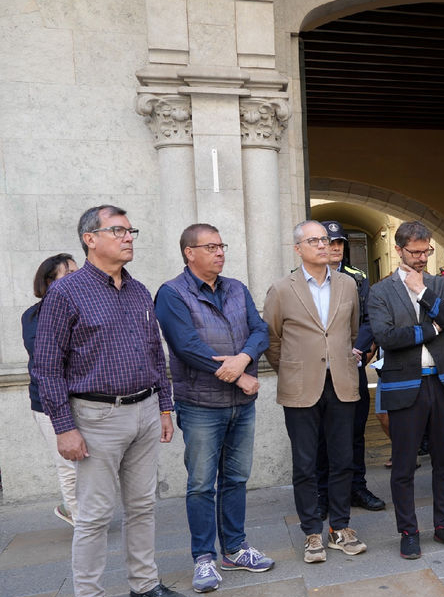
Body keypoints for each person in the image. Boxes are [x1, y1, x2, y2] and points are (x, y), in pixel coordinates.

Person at [31, 204, 181, 597]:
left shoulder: (138, 290)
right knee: (95, 516)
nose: (128, 237)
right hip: (96, 418)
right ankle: (90, 593)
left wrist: (165, 407)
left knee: (143, 506)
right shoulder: (65, 292)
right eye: (118, 231)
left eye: (131, 231)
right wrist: (64, 427)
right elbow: (46, 367)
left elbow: (155, 352)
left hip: (146, 412)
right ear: (90, 239)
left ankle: (145, 586)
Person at [155, 223, 274, 591]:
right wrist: (238, 374)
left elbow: (261, 330)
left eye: (222, 245)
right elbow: (186, 346)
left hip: (242, 405)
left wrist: (243, 358)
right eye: (211, 246)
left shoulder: (236, 288)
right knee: (202, 485)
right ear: (189, 253)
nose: (220, 252)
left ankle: (235, 549)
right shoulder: (171, 293)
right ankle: (203, 558)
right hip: (201, 405)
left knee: (236, 480)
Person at [264, 220, 366, 564]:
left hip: (341, 382)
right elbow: (272, 339)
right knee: (306, 463)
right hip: (300, 387)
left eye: (325, 239)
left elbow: (351, 332)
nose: (323, 245)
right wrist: (293, 368)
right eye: (314, 241)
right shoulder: (281, 289)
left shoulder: (348, 285)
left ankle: (340, 527)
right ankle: (312, 531)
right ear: (298, 249)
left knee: (342, 460)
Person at [367, 220, 444, 560]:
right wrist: (432, 328)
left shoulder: (439, 284)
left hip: (443, 383)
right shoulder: (380, 292)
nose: (422, 257)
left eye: (426, 251)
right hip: (404, 385)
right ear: (398, 250)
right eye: (415, 252)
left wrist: (423, 292)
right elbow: (386, 338)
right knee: (405, 466)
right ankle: (408, 531)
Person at [315, 221, 386, 515]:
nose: (335, 248)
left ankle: (357, 486)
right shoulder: (300, 280)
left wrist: (358, 348)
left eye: (340, 243)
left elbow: (370, 318)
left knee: (356, 430)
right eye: (329, 243)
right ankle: (322, 493)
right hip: (318, 369)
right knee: (320, 432)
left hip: (351, 364)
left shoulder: (357, 279)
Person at [22, 253, 79, 526]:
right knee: (68, 464)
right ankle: (80, 519)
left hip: (82, 399)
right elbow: (47, 358)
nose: (77, 279)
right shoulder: (33, 316)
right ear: (49, 282)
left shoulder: (82, 307)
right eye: (68, 274)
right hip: (48, 403)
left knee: (88, 464)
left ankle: (75, 508)